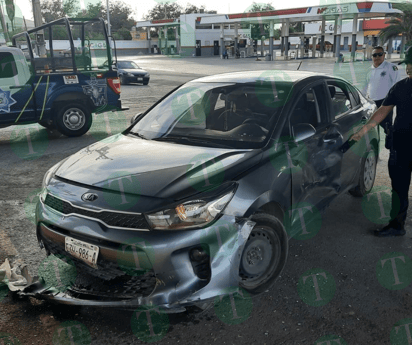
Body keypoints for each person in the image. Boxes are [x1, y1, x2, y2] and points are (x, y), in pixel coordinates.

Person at [351, 48, 412, 237]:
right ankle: (397, 225)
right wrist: (362, 131)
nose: (409, 68)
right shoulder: (401, 87)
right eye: (408, 64)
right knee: (399, 187)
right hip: (401, 146)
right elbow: (382, 111)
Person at [361, 45, 400, 133]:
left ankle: (391, 146)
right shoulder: (369, 70)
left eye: (380, 54)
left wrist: (394, 100)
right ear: (372, 57)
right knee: (372, 128)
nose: (377, 57)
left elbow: (397, 84)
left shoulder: (391, 67)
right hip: (371, 103)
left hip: (385, 102)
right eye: (375, 55)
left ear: (384, 55)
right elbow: (365, 86)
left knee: (388, 128)